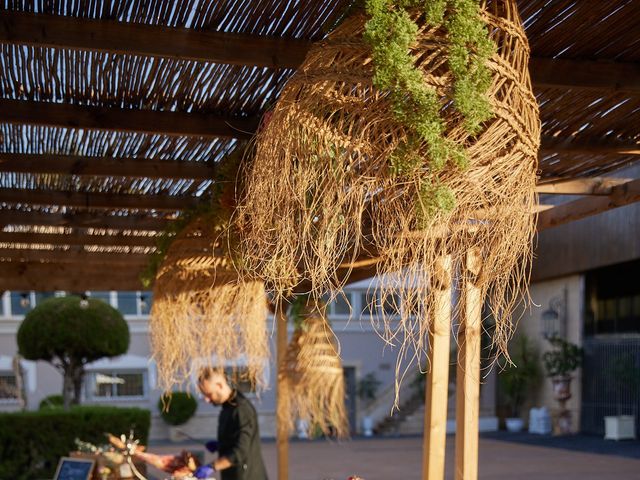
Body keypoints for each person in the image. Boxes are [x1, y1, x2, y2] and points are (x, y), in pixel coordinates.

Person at [194, 367, 268, 480]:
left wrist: (212, 466)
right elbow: (234, 439)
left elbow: (240, 450)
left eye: (209, 394)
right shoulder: (227, 408)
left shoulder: (241, 409)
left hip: (247, 476)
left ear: (219, 385)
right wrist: (221, 445)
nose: (206, 400)